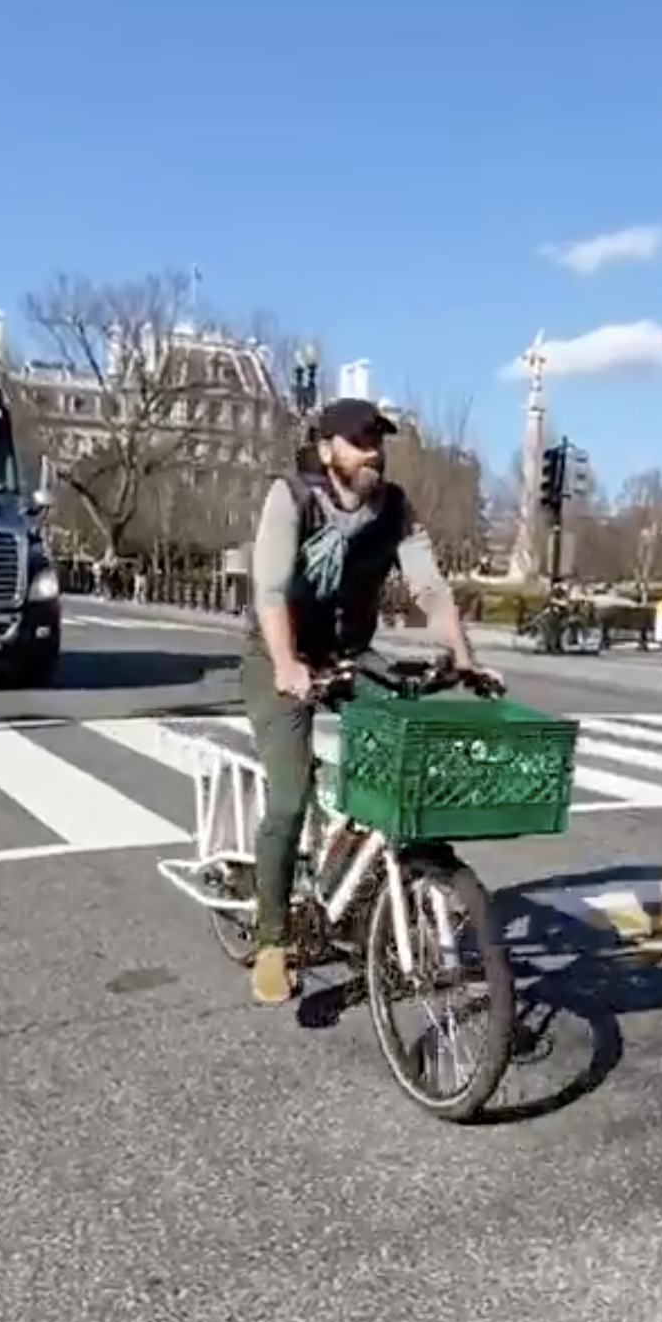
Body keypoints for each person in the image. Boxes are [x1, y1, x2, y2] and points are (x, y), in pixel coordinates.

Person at [242, 396, 496, 1007]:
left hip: (350, 655)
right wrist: (287, 665)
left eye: (378, 440)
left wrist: (463, 656)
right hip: (280, 656)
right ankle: (273, 939)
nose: (373, 452)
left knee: (406, 737)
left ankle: (368, 879)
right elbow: (270, 592)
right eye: (360, 441)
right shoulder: (292, 498)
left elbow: (429, 585)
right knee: (289, 796)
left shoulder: (393, 507)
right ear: (327, 448)